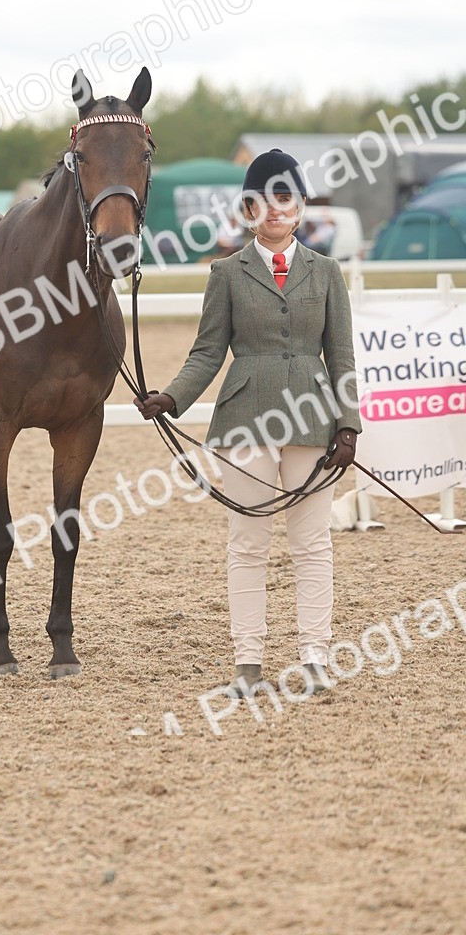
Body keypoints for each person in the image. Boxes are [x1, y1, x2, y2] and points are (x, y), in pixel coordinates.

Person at [135, 149, 361, 696]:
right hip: (244, 419)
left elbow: (342, 357)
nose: (276, 210)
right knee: (248, 541)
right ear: (246, 208)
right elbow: (208, 352)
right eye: (264, 200)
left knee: (312, 542)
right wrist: (173, 398)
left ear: (302, 206)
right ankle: (248, 663)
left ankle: (314, 658)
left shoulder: (327, 272)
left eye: (286, 198)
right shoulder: (226, 273)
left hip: (312, 418)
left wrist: (348, 425)